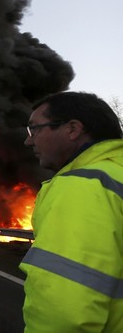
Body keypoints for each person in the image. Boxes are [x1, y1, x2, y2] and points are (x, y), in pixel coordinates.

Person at [21, 91, 123, 332]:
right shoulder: (116, 175)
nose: (28, 141)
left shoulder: (84, 185)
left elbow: (65, 313)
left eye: (34, 129)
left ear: (73, 129)